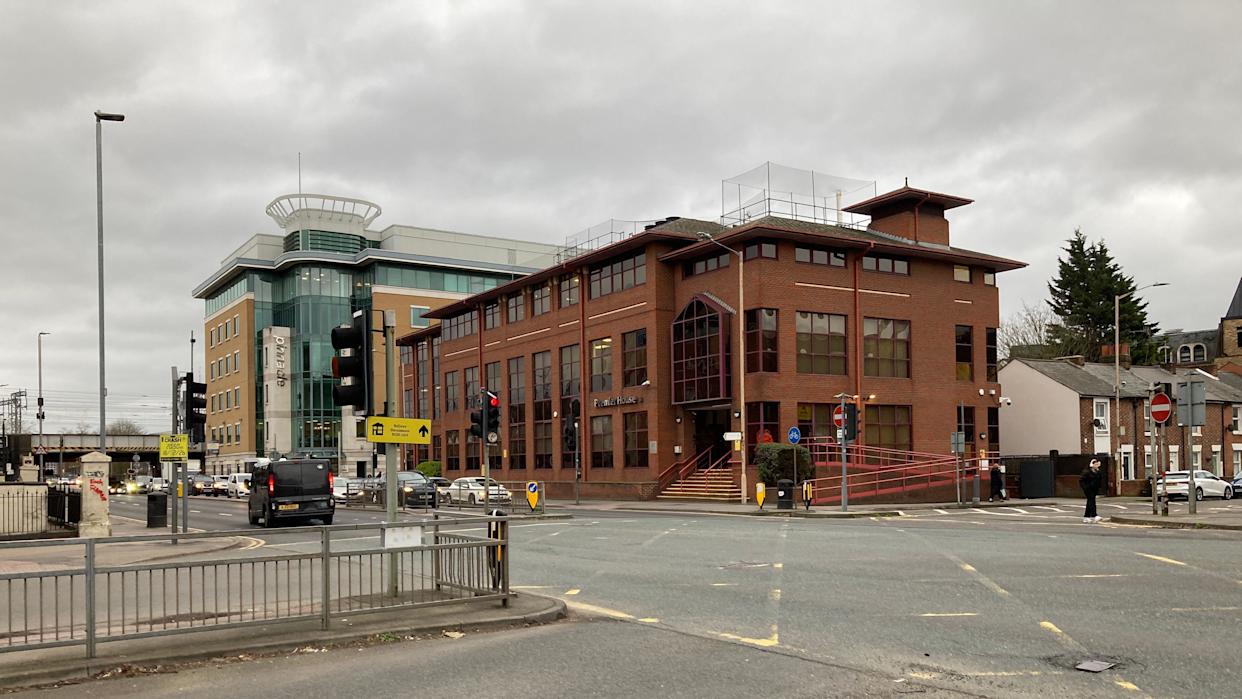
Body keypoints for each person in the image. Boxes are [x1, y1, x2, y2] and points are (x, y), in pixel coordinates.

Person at [1080, 458, 1103, 523]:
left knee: (1089, 502)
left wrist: (1098, 472)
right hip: (1088, 489)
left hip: (1094, 489)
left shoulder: (1098, 472)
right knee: (1092, 501)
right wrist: (1085, 487)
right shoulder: (1087, 472)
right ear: (1092, 465)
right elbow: (1081, 481)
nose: (1097, 465)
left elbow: (1099, 480)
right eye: (1095, 464)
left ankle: (1086, 517)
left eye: (1097, 464)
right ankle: (1094, 515)